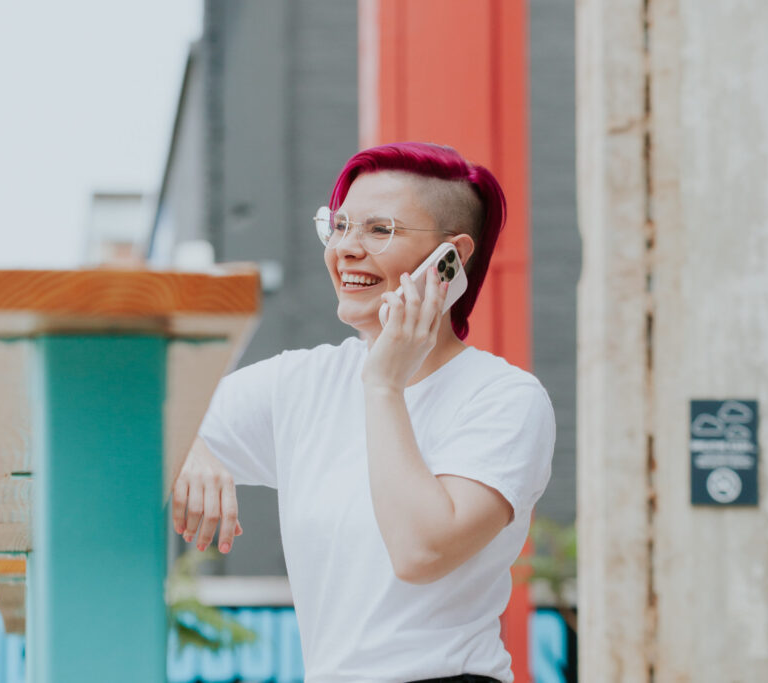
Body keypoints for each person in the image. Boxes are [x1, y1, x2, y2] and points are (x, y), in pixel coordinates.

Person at [172, 142, 555, 683]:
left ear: (451, 257)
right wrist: (185, 443)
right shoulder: (298, 382)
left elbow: (421, 551)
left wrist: (383, 384)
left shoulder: (504, 398)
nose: (346, 249)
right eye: (340, 225)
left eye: (379, 231)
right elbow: (131, 421)